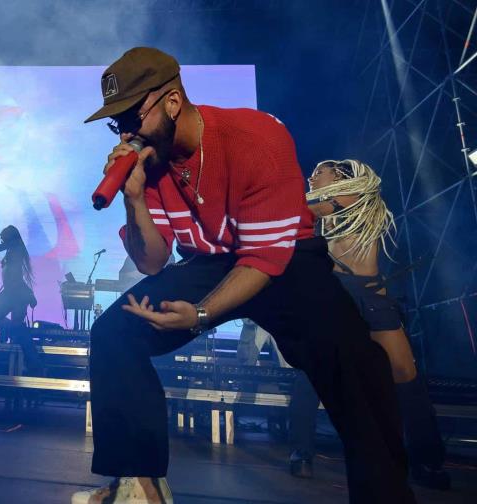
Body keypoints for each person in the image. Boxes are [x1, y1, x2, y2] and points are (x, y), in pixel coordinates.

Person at [72, 47, 413, 504]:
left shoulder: (256, 139)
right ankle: (141, 485)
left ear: (172, 102)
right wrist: (134, 199)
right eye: (119, 125)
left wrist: (199, 314)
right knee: (115, 332)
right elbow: (153, 262)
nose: (128, 134)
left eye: (133, 117)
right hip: (212, 259)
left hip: (286, 259)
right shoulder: (151, 166)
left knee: (354, 364)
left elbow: (264, 260)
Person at [284, 159, 449, 488]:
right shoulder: (317, 207)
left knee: (405, 374)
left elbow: (309, 208)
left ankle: (426, 460)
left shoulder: (352, 197)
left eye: (320, 172)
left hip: (372, 294)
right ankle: (301, 452)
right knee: (314, 372)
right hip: (337, 293)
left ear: (342, 176)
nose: (311, 177)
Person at [0, 225, 39, 372]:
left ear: (9, 237)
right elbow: (16, 277)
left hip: (13, 294)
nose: (1, 240)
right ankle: (34, 363)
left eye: (3, 237)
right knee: (16, 327)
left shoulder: (14, 246)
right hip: (14, 293)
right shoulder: (14, 248)